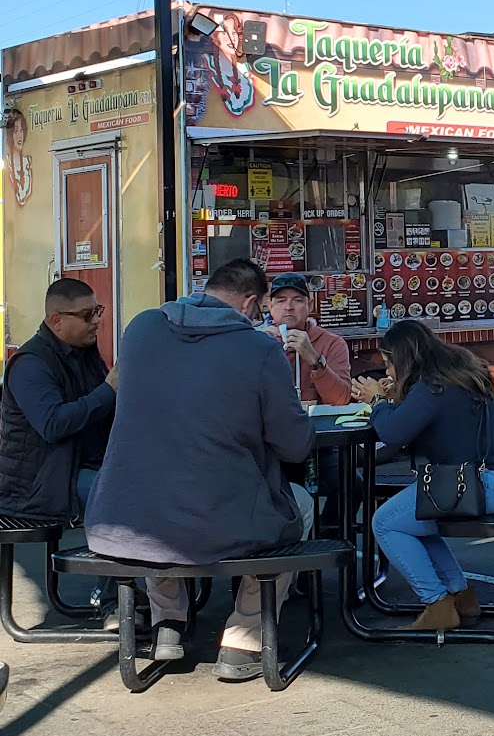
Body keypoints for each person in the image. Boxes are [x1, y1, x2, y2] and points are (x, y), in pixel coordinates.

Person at [85, 259, 320, 682]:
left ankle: (169, 625)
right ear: (251, 302)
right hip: (216, 519)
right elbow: (295, 445)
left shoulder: (140, 330)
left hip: (121, 517)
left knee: (154, 499)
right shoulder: (260, 349)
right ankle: (243, 638)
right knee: (300, 505)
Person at [352, 319, 494, 633]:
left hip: (484, 484)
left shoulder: (432, 386)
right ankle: (460, 597)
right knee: (415, 519)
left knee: (385, 523)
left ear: (403, 358)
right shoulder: (452, 372)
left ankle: (437, 604)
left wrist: (377, 400)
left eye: (389, 362)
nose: (387, 371)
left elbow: (394, 432)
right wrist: (398, 398)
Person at [0, 278, 117, 527]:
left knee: (157, 484)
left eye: (97, 311)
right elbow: (53, 424)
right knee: (128, 497)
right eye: (87, 315)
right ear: (57, 320)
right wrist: (109, 390)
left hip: (82, 469)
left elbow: (105, 412)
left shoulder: (84, 353)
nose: (97, 321)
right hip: (41, 486)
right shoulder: (30, 364)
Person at [268, 270, 351, 528]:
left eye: (297, 300)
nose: (289, 307)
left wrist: (314, 359)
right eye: (280, 300)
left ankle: (324, 542)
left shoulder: (331, 343)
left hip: (318, 445)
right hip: (270, 446)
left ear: (310, 305)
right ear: (268, 306)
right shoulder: (254, 342)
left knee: (350, 483)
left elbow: (341, 401)